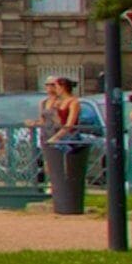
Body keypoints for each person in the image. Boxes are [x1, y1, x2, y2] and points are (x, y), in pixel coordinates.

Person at [38, 75, 96, 216]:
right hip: (58, 135)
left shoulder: (73, 102)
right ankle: (56, 189)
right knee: (52, 162)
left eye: (56, 86)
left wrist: (56, 137)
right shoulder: (58, 102)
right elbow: (58, 122)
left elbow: (70, 124)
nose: (54, 89)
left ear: (62, 87)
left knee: (65, 163)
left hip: (69, 137)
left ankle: (64, 192)